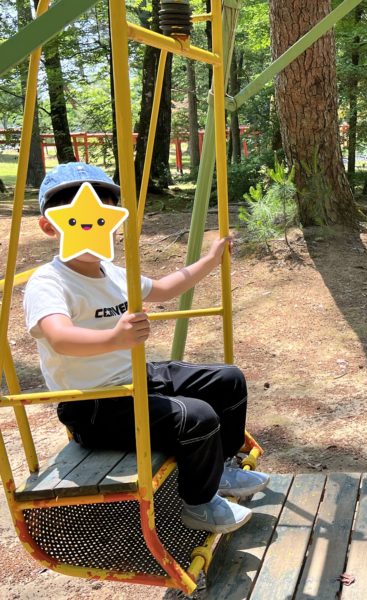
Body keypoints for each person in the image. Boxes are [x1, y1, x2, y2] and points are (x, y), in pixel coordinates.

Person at [24, 162, 269, 534]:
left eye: (102, 219)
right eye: (77, 221)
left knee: (227, 379)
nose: (92, 228)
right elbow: (59, 336)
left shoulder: (113, 273)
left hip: (135, 377)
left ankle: (221, 468)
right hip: (92, 404)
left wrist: (209, 260)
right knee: (197, 417)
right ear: (50, 227)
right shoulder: (50, 282)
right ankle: (199, 504)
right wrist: (114, 339)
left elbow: (167, 288)